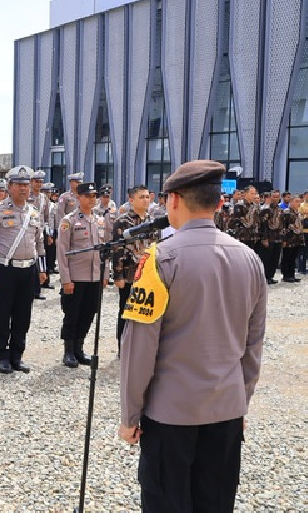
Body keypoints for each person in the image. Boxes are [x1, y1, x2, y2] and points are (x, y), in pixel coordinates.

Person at [118, 160, 266, 512]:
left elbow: (139, 348)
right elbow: (253, 344)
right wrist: (240, 401)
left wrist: (129, 416)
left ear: (173, 200)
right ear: (218, 203)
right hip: (226, 411)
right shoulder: (250, 259)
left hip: (172, 414)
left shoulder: (159, 259)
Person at [0, 166, 47, 373]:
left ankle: (17, 355)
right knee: (2, 314)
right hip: (5, 270)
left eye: (26, 185)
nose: (23, 189)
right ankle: (2, 355)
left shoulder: (34, 212)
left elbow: (40, 243)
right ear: (9, 187)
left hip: (28, 271)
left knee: (23, 315)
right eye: (18, 185)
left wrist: (42, 270)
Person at [56, 181, 109, 368]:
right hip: (76, 277)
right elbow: (62, 252)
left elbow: (105, 249)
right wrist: (66, 279)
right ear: (78, 197)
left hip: (94, 276)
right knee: (72, 314)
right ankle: (68, 351)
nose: (92, 199)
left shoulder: (100, 220)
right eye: (88, 196)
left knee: (88, 313)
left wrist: (105, 274)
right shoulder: (69, 221)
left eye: (94, 196)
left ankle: (79, 348)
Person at [111, 185, 155, 353]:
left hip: (147, 275)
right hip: (129, 274)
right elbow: (117, 249)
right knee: (126, 310)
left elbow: (154, 247)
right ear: (131, 200)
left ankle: (141, 347)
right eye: (141, 197)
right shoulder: (122, 221)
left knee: (144, 309)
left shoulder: (151, 221)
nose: (146, 200)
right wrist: (118, 275)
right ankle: (123, 347)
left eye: (147, 197)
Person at [280, 195, 304, 283]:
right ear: (291, 202)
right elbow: (284, 226)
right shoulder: (287, 212)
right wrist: (284, 240)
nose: (298, 203)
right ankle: (286, 275)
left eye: (299, 201)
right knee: (287, 257)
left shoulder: (298, 213)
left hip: (297, 239)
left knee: (293, 258)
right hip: (289, 239)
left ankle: (292, 274)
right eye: (296, 201)